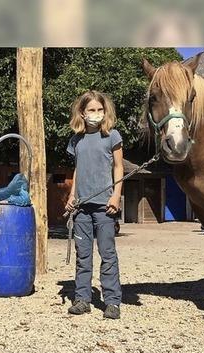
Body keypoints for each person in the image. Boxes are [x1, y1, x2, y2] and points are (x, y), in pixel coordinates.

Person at [65, 90, 124, 319]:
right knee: (83, 254)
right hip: (81, 207)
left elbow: (118, 167)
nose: (96, 114)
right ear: (82, 112)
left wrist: (116, 195)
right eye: (91, 110)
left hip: (104, 206)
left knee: (108, 254)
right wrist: (72, 196)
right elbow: (78, 169)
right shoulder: (76, 140)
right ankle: (82, 299)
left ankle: (112, 301)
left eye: (100, 110)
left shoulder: (112, 136)